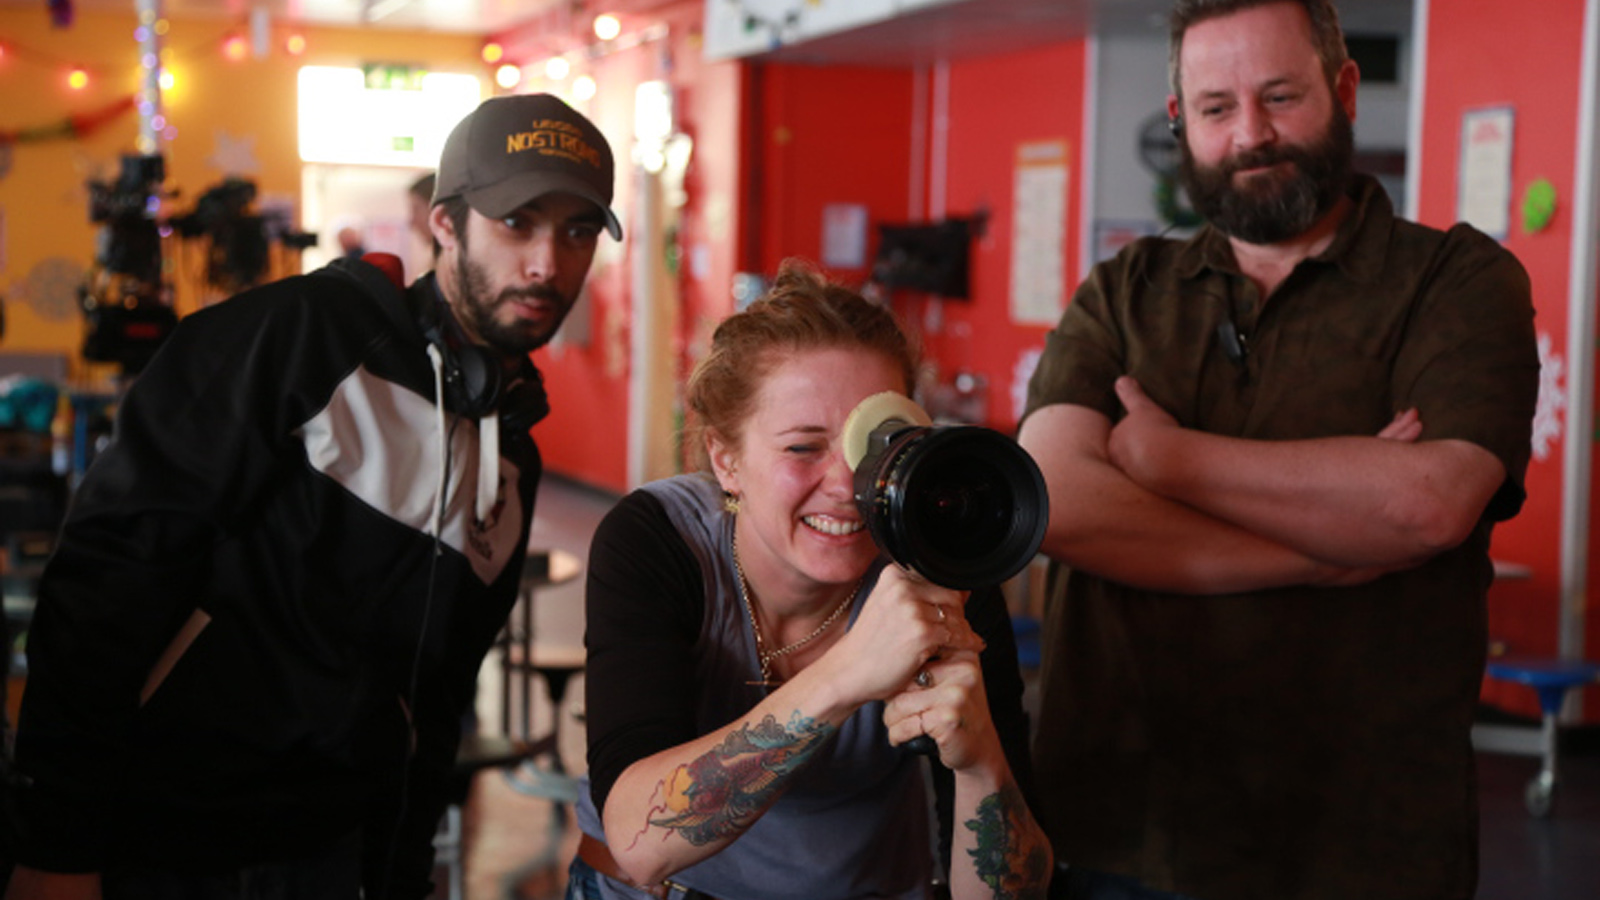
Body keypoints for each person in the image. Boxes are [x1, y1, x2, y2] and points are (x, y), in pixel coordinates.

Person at [4, 92, 623, 900]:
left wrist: (404, 874)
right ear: (445, 223)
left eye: (578, 230)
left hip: (331, 858)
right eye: (518, 223)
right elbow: (104, 581)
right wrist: (56, 844)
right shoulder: (295, 338)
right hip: (159, 841)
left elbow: (437, 705)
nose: (548, 262)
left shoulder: (510, 461)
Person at [1017, 2, 1540, 899]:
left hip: (1367, 844)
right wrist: (1333, 548)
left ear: (1344, 90)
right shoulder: (1123, 293)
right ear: (1181, 119)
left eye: (1280, 96)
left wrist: (1171, 461)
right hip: (1123, 831)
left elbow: (1430, 503)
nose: (1251, 135)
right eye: (1217, 108)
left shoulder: (1458, 282)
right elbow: (1056, 499)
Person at [570, 260, 1052, 900]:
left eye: (876, 446)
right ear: (726, 458)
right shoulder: (661, 541)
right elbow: (638, 842)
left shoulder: (940, 567)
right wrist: (849, 673)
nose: (848, 486)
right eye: (803, 448)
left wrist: (981, 763)